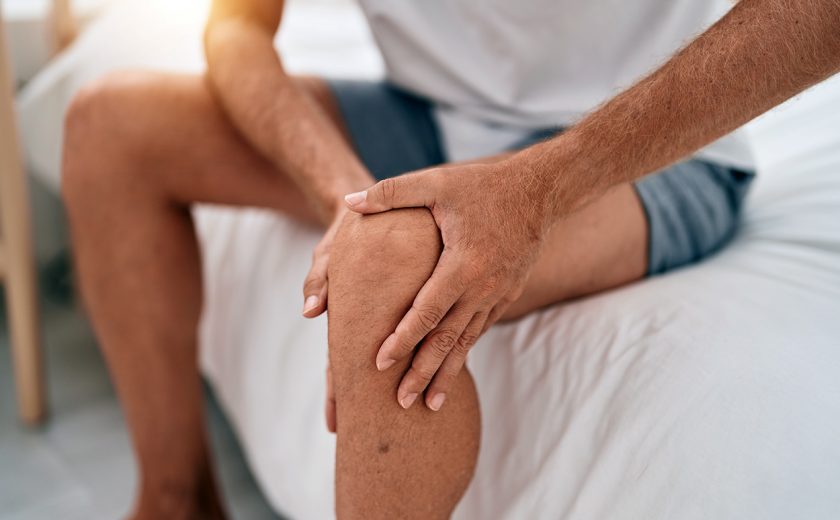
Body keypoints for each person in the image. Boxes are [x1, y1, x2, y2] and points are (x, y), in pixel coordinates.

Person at [61, 0, 840, 517]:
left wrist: (536, 188)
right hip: (426, 120)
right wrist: (348, 196)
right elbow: (234, 27)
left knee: (390, 265)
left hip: (648, 150)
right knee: (107, 126)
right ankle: (175, 503)